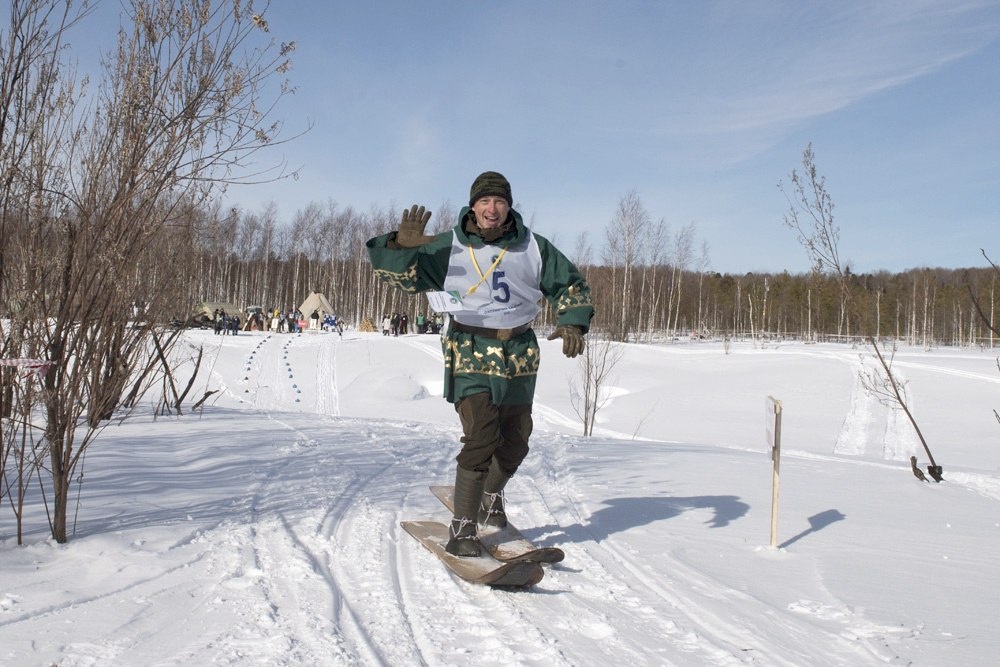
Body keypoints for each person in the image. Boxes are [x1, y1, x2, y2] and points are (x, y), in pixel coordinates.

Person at [367, 171, 594, 557]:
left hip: (520, 349)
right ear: (473, 206)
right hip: (470, 346)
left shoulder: (534, 246)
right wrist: (400, 247)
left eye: (500, 201)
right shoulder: (446, 245)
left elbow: (569, 284)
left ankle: (490, 495)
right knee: (481, 435)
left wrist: (573, 319)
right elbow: (398, 278)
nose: (492, 208)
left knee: (517, 438)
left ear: (509, 206)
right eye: (485, 201)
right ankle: (463, 528)